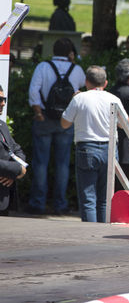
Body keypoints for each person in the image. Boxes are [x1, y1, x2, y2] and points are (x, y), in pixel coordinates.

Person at [61, 66, 128, 222]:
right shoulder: (113, 98)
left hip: (87, 148)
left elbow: (64, 123)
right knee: (105, 199)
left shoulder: (79, 98)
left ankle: (89, 234)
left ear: (86, 81)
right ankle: (102, 231)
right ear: (105, 83)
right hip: (110, 149)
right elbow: (125, 123)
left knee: (88, 199)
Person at [27, 38, 85, 215]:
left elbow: (33, 92)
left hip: (44, 118)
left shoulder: (43, 67)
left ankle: (38, 203)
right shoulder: (76, 70)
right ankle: (60, 204)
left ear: (53, 50)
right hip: (65, 121)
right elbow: (82, 90)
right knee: (62, 164)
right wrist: (73, 62)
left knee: (40, 163)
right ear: (70, 53)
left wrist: (38, 112)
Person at [0, 85, 27, 216]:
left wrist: (17, 170)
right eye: (0, 99)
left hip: (4, 198)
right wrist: (17, 170)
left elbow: (17, 149)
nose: (3, 103)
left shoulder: (2, 125)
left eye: (4, 99)